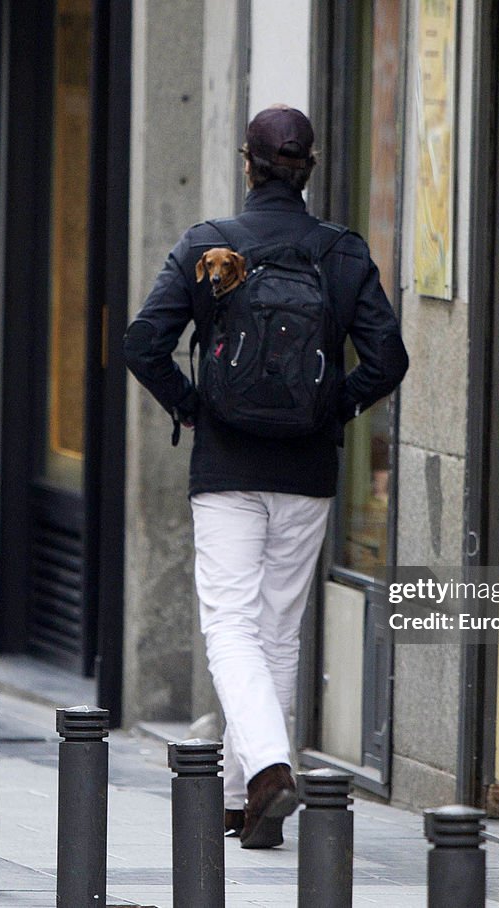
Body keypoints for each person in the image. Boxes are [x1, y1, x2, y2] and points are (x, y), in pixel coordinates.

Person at [124, 105, 408, 848]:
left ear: (247, 163)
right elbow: (388, 361)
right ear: (308, 167)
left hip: (226, 467)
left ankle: (268, 771)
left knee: (228, 625)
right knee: (277, 634)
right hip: (306, 470)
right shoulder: (342, 254)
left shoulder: (208, 244)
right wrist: (329, 408)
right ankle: (246, 805)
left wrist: (194, 408)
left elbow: (143, 342)